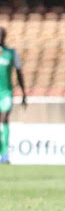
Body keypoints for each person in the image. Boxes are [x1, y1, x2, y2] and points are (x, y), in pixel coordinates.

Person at [0, 27, 26, 164]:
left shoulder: (11, 53)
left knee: (4, 118)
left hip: (5, 92)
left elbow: (19, 73)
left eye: (1, 35)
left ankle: (5, 155)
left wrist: (23, 93)